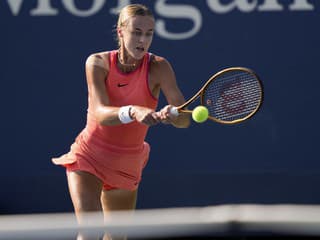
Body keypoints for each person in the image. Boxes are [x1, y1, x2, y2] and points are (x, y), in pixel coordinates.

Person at [52, 3, 190, 240]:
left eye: (149, 34)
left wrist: (173, 115)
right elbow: (100, 113)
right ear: (120, 32)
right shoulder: (97, 62)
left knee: (117, 238)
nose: (143, 40)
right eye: (136, 32)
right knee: (90, 233)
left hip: (127, 163)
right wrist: (134, 111)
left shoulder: (159, 67)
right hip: (89, 156)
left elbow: (184, 119)